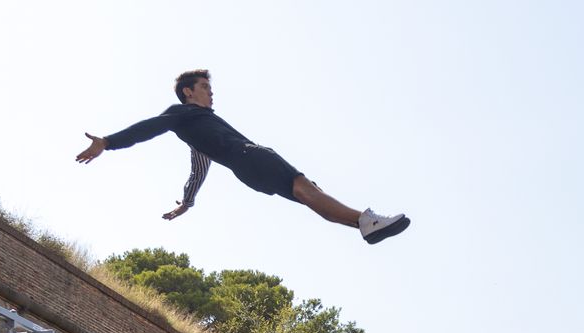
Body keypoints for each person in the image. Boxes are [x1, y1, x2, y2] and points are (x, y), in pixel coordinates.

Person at [76, 69, 408, 245]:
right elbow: (149, 127)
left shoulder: (199, 128)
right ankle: (365, 220)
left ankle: (363, 225)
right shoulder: (181, 113)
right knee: (306, 189)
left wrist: (187, 202)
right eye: (204, 87)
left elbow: (199, 168)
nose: (210, 91)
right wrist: (108, 142)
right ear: (188, 92)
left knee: (309, 193)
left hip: (248, 171)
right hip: (251, 157)